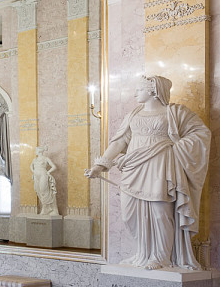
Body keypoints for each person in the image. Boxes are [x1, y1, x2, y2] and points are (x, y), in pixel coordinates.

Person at [86, 75, 210, 270]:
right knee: (130, 213)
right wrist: (100, 165)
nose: (135, 93)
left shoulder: (174, 112)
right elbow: (119, 141)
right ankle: (142, 253)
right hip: (134, 168)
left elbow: (201, 134)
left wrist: (171, 146)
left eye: (139, 89)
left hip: (160, 166)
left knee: (160, 212)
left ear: (153, 90)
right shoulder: (134, 114)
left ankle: (161, 257)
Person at [31, 146, 58, 216]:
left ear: (39, 151)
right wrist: (33, 171)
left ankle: (46, 208)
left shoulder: (46, 159)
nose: (35, 152)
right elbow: (31, 166)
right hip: (36, 176)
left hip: (43, 175)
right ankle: (46, 208)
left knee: (44, 191)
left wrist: (48, 172)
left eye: (36, 150)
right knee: (39, 191)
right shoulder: (35, 159)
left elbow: (54, 167)